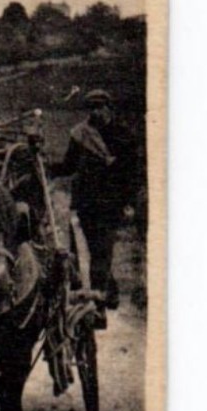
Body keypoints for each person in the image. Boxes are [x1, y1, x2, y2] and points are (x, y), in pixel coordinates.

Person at [56, 88, 137, 314]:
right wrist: (46, 167)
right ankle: (92, 294)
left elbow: (132, 172)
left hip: (110, 203)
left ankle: (98, 304)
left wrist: (128, 201)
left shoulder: (123, 135)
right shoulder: (80, 134)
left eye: (99, 107)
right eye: (91, 108)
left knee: (101, 251)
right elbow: (68, 166)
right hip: (84, 203)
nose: (95, 112)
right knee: (81, 251)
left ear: (108, 108)